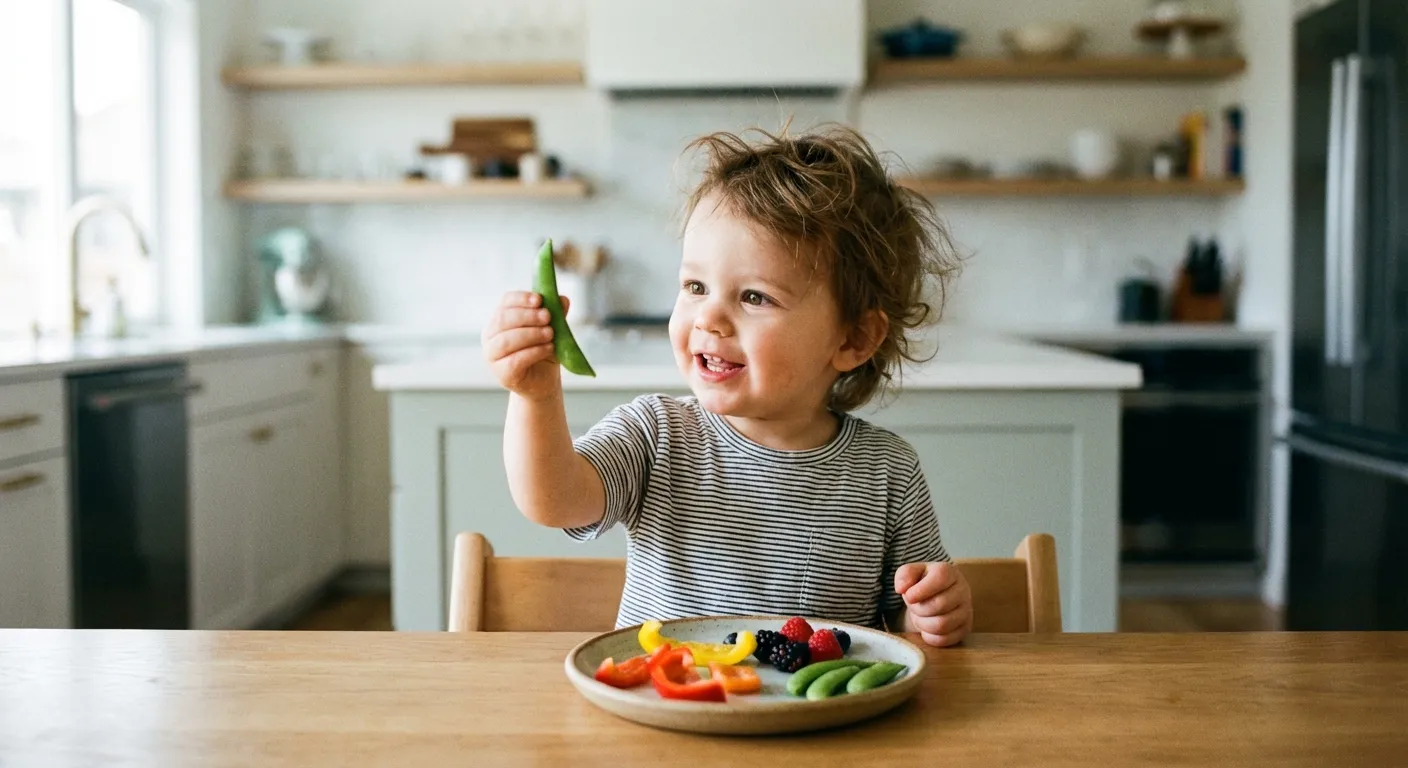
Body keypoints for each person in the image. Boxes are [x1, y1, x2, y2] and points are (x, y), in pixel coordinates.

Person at [480, 123, 972, 647]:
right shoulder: (656, 433)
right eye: (695, 286)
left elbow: (904, 619)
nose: (709, 317)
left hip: (816, 724)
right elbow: (553, 500)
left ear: (853, 338)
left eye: (755, 297)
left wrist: (929, 615)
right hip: (666, 708)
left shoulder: (886, 471)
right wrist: (534, 397)